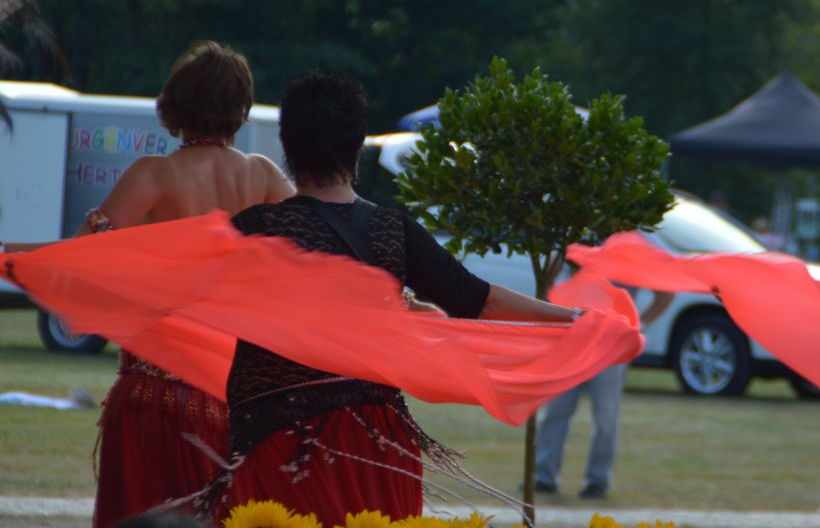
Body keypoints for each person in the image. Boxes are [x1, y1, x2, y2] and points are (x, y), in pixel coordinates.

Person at [214, 70, 582, 524]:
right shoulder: (395, 231)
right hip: (378, 447)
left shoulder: (253, 230)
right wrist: (575, 318)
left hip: (281, 444)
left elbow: (191, 294)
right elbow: (479, 299)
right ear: (357, 146)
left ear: (287, 146)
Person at [89, 41, 295, 528]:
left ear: (175, 102)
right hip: (234, 403)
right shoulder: (264, 176)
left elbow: (83, 254)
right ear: (240, 109)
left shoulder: (155, 175)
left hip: (153, 400)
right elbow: (324, 253)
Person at [534, 290, 672, 499]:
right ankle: (543, 477)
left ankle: (597, 481)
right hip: (572, 339)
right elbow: (550, 284)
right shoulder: (575, 266)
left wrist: (641, 324)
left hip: (611, 343)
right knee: (555, 411)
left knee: (606, 417)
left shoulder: (626, 268)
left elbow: (666, 294)